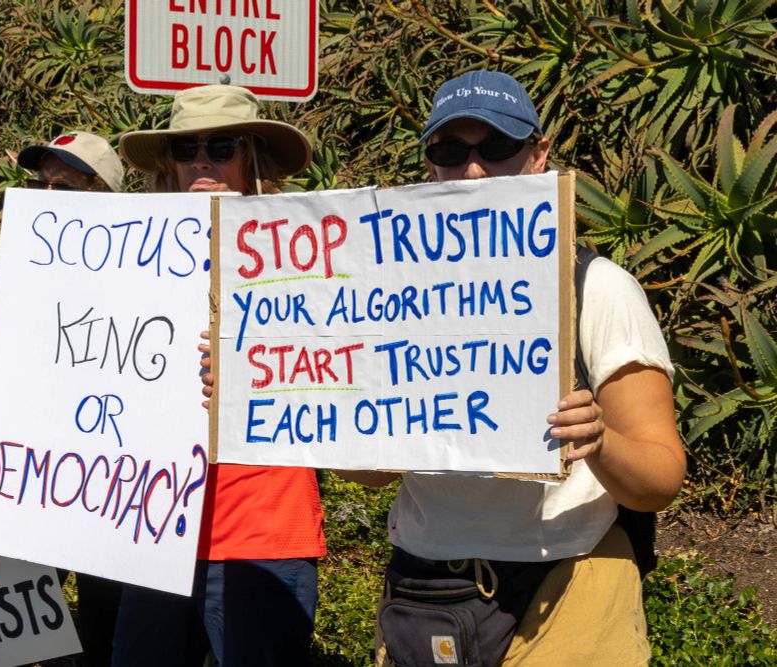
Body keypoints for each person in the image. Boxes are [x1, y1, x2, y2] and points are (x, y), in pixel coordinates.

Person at [339, 70, 687, 667]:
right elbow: (370, 475)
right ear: (430, 165)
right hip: (423, 584)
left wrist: (599, 441)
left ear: (538, 157)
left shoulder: (596, 289)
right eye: (450, 152)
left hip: (571, 580)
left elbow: (660, 479)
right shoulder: (390, 296)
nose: (473, 171)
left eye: (497, 148)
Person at [112, 84, 326, 667]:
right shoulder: (122, 257)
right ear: (170, 164)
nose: (201, 160)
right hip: (153, 529)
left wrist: (257, 368)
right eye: (186, 148)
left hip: (263, 530)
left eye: (221, 145)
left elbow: (340, 371)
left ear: (249, 156)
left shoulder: (304, 255)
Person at [0, 129, 126, 666]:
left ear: (105, 194)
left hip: (114, 490)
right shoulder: (24, 269)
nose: (49, 198)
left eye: (68, 188)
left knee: (107, 626)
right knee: (22, 631)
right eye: (41, 185)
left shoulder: (147, 274)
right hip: (37, 484)